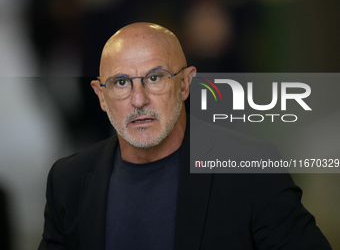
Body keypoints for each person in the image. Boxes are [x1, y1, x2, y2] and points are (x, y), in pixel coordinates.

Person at [38, 22, 331, 250]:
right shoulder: (68, 180)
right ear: (101, 96)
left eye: (155, 77)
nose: (138, 99)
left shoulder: (250, 168)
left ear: (185, 84)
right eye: (121, 82)